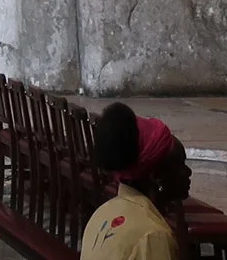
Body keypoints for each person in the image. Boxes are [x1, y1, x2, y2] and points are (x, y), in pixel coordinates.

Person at [81, 103, 190, 259]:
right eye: (180, 164)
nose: (188, 172)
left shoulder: (101, 214)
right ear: (156, 175)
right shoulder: (153, 235)